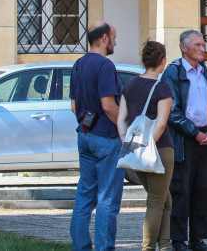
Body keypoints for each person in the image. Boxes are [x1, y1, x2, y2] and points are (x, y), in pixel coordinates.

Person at [69, 21, 124, 251]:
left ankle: (80, 247)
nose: (115, 41)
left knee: (84, 197)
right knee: (107, 199)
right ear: (103, 38)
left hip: (85, 135)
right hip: (107, 138)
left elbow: (73, 106)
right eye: (113, 37)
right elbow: (109, 105)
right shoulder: (105, 66)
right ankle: (104, 248)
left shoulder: (78, 65)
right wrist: (125, 130)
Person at [117, 40, 174, 251]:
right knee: (156, 202)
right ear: (162, 61)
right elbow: (161, 122)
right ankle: (148, 247)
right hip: (160, 149)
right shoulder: (162, 87)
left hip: (135, 153)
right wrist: (148, 145)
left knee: (165, 199)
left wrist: (129, 144)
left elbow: (121, 119)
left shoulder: (130, 85)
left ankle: (166, 245)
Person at [160, 29, 207, 251]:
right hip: (184, 140)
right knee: (181, 190)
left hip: (206, 137)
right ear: (184, 47)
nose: (202, 49)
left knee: (203, 190)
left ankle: (198, 238)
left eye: (203, 45)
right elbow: (171, 111)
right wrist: (195, 132)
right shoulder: (172, 73)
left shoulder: (206, 73)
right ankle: (178, 239)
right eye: (197, 45)